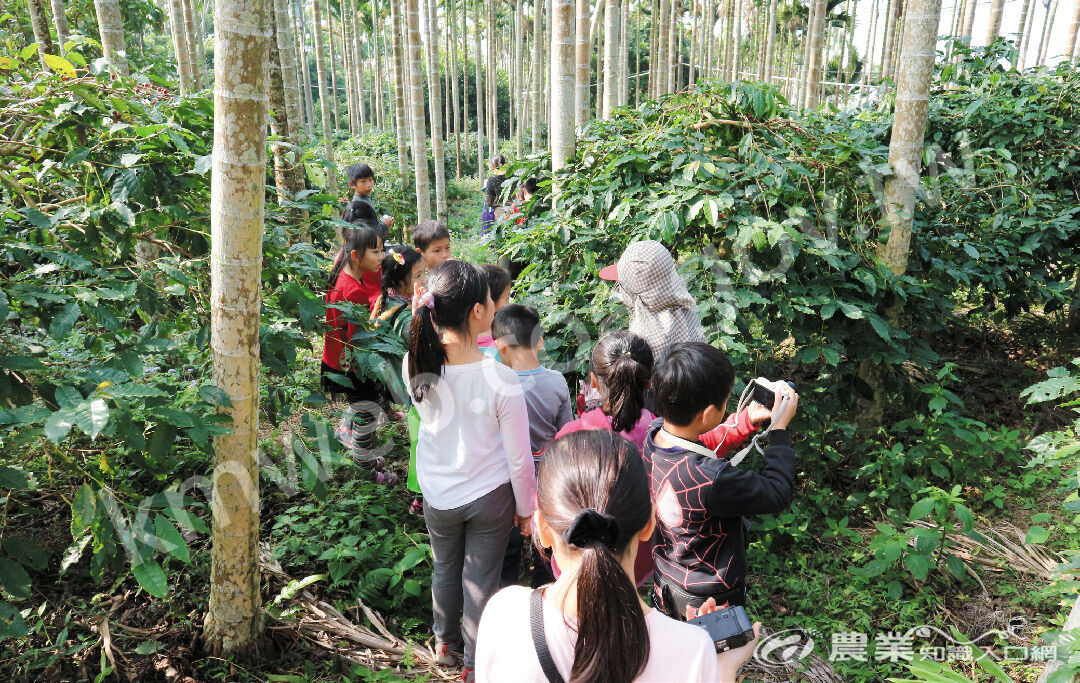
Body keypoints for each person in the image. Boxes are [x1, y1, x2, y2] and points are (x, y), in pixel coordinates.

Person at [475, 430, 762, 683]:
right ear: (651, 522)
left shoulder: (503, 617)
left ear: (543, 528)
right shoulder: (693, 650)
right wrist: (722, 669)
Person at [403, 260, 536, 679]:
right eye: (490, 300)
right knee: (482, 580)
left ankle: (445, 643)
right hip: (489, 496)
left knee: (445, 568)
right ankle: (475, 665)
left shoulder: (416, 365)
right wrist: (527, 510)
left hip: (438, 494)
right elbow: (519, 457)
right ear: (478, 312)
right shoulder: (501, 378)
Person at [645, 342, 798, 619]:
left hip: (666, 582)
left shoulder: (653, 436)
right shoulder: (713, 478)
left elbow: (702, 441)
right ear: (707, 414)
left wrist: (746, 419)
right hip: (712, 602)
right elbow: (778, 492)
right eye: (725, 401)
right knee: (714, 662)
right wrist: (779, 431)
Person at [490, 304, 573, 588]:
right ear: (539, 340)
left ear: (500, 347)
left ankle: (505, 596)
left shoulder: (496, 385)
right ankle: (546, 593)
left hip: (506, 478)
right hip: (548, 477)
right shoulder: (557, 382)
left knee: (508, 546)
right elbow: (565, 433)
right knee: (548, 545)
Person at [321, 226, 397, 485]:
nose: (381, 257)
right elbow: (359, 340)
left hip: (335, 360)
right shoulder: (355, 291)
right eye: (375, 252)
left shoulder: (344, 277)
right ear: (355, 255)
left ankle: (350, 441)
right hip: (351, 366)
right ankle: (364, 467)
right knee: (368, 412)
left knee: (359, 406)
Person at [373, 245, 426, 512]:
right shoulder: (402, 313)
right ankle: (420, 495)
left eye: (424, 273)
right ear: (398, 281)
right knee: (421, 438)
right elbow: (415, 337)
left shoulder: (389, 301)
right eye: (418, 276)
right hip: (409, 386)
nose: (423, 281)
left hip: (398, 382)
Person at [597, 240, 705, 367]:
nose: (619, 289)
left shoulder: (642, 337)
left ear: (635, 291)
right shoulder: (685, 305)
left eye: (621, 284)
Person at [344, 162, 394, 232]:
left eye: (370, 180)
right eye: (363, 181)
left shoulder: (362, 201)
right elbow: (368, 235)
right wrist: (385, 225)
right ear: (352, 184)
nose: (369, 184)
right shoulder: (360, 207)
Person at [477, 264, 511, 360]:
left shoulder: (457, 342)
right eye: (507, 298)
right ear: (490, 301)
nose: (509, 304)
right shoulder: (503, 346)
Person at [481, 154, 507, 236]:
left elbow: (488, 202)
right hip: (515, 212)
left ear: (493, 166)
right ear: (505, 164)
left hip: (499, 215)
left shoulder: (492, 181)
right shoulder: (515, 178)